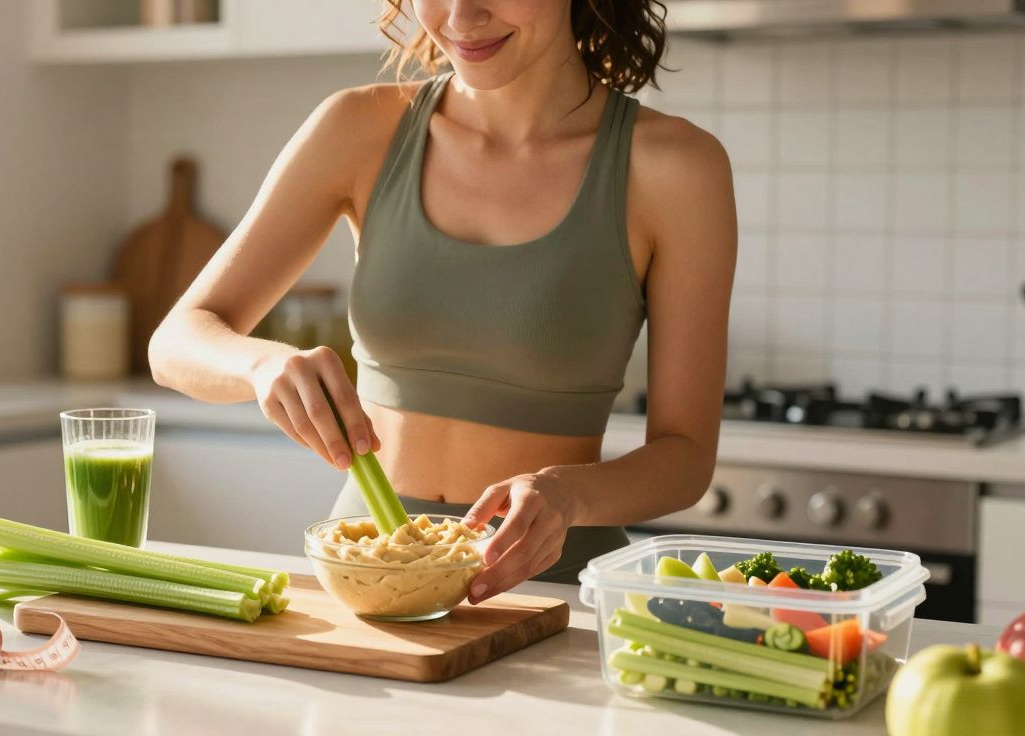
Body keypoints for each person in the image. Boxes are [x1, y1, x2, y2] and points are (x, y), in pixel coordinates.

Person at [149, 0, 736, 604]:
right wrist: (262, 365)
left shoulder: (676, 168)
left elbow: (686, 456)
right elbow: (176, 341)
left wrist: (570, 494)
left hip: (556, 597)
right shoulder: (358, 129)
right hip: (369, 583)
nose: (460, 15)